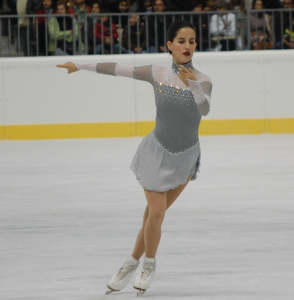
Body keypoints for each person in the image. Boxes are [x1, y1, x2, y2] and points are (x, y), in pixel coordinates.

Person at [57, 19, 212, 296]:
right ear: (169, 45)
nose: (187, 46)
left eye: (191, 41)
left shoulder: (203, 79)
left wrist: (194, 86)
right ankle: (149, 264)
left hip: (186, 157)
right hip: (158, 152)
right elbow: (118, 69)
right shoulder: (157, 73)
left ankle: (130, 262)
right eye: (181, 41)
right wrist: (79, 65)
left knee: (152, 217)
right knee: (157, 212)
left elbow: (205, 109)